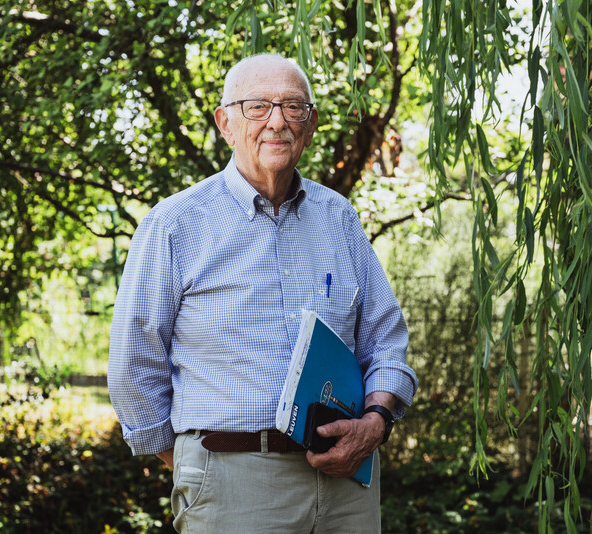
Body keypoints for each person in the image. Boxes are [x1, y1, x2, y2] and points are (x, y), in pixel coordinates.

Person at [108, 53, 418, 533]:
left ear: (310, 124)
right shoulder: (173, 225)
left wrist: (376, 422)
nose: (277, 122)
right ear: (225, 123)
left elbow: (386, 341)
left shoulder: (339, 218)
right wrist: (196, 466)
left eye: (293, 107)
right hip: (231, 482)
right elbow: (133, 365)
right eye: (257, 107)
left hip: (347, 483)